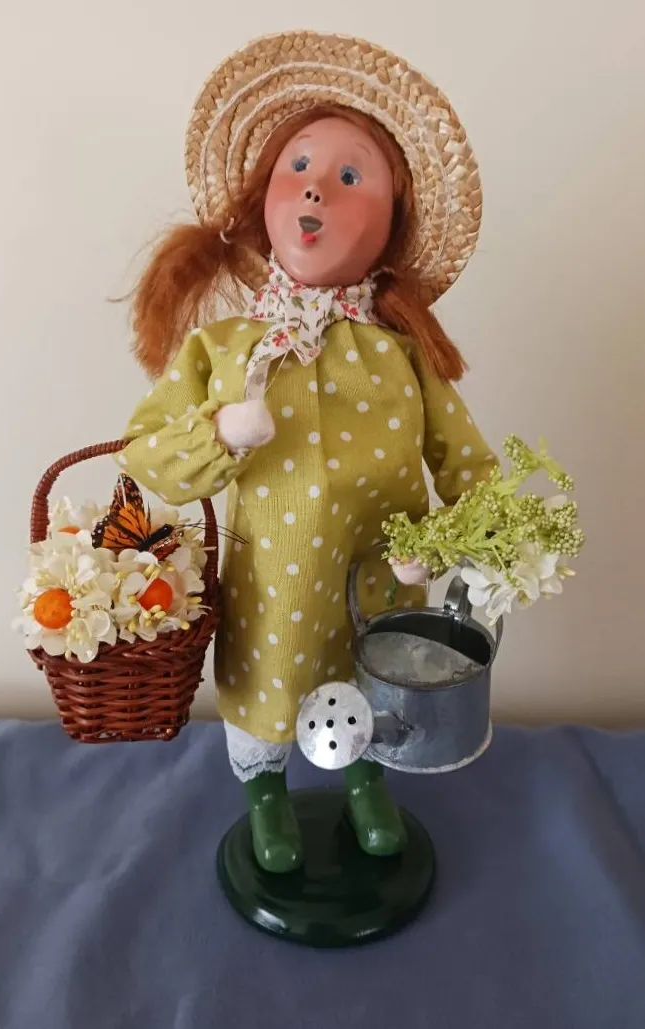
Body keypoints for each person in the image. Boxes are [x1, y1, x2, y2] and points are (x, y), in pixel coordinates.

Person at [117, 31, 496, 872]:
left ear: (391, 225)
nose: (316, 186)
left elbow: (467, 465)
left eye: (351, 176)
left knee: (373, 686)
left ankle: (365, 780)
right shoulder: (223, 347)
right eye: (298, 166)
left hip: (380, 584)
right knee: (268, 693)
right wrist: (221, 433)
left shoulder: (399, 355)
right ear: (263, 197)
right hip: (272, 588)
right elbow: (145, 452)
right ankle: (265, 794)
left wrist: (453, 547)